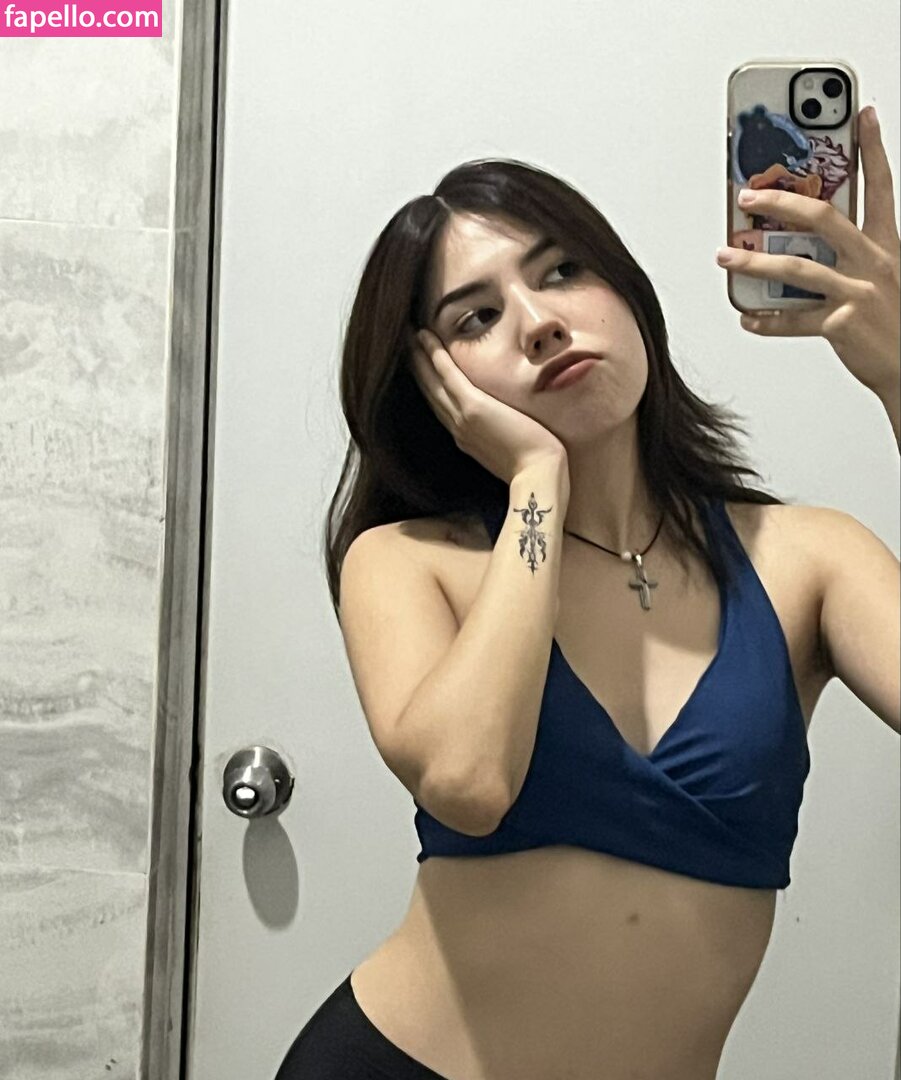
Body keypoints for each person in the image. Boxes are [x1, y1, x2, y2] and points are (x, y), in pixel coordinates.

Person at [275, 107, 900, 1079]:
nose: (538, 322)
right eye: (475, 318)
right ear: (435, 385)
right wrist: (536, 484)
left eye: (562, 269)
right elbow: (469, 785)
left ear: (625, 288)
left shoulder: (805, 558)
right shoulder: (407, 561)